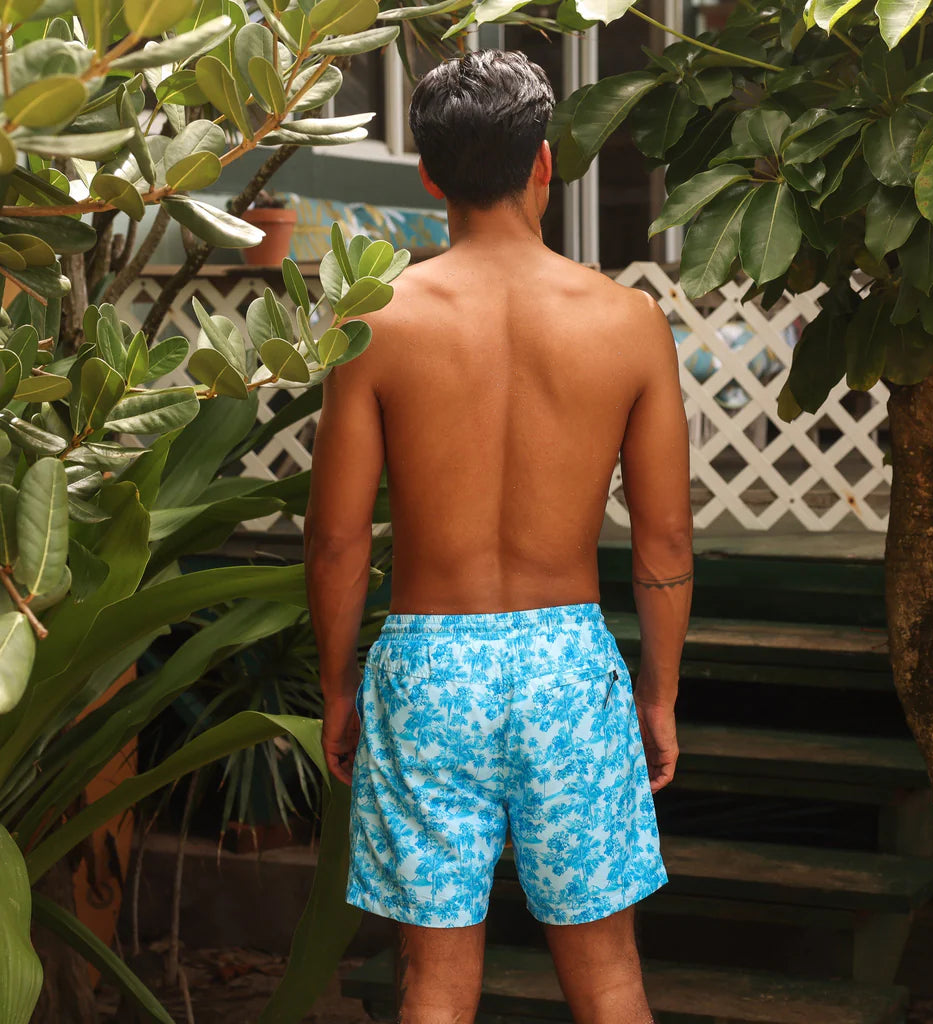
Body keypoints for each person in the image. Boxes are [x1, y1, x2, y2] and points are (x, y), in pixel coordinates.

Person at [305, 48, 692, 1024]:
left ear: (429, 176)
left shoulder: (376, 321)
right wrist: (659, 692)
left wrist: (337, 682)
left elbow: (338, 538)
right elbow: (664, 545)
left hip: (429, 665)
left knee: (433, 985)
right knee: (608, 979)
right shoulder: (628, 321)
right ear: (544, 164)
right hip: (569, 665)